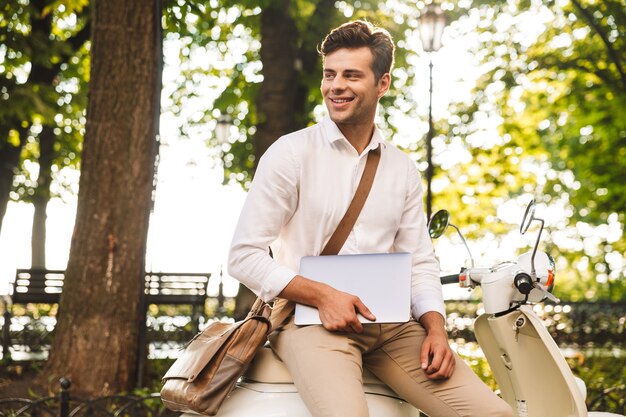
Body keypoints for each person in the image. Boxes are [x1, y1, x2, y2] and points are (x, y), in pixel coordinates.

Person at [228, 20, 513, 417]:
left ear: (382, 84)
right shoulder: (290, 154)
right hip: (310, 324)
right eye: (330, 74)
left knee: (495, 415)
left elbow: (420, 260)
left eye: (351, 75)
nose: (336, 86)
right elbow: (243, 255)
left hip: (394, 327)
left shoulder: (401, 168)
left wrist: (435, 327)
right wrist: (324, 296)